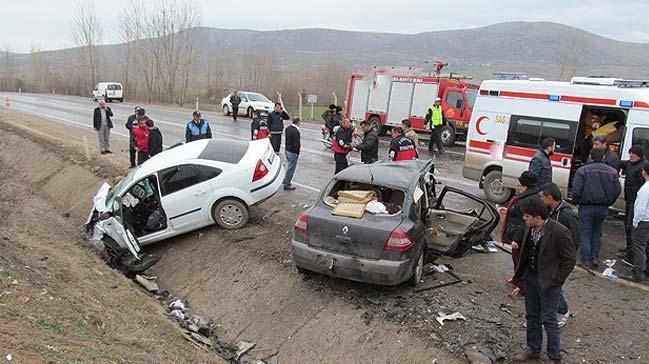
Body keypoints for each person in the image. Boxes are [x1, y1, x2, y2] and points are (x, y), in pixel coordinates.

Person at [512, 200, 576, 363]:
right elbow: (526, 254)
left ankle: (554, 356)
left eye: (527, 216)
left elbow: (569, 260)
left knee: (549, 319)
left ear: (538, 217)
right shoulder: (529, 227)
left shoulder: (560, 232)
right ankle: (533, 348)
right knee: (532, 316)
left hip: (549, 282)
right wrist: (521, 281)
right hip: (531, 278)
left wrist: (557, 280)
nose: (524, 219)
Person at [571, 148, 622, 269]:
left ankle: (585, 261)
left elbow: (576, 190)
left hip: (586, 207)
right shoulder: (612, 172)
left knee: (585, 233)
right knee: (597, 233)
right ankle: (595, 258)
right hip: (603, 208)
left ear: (590, 157)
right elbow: (617, 190)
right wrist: (609, 202)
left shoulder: (582, 171)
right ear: (603, 157)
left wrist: (576, 202)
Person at [540, 182, 580, 328]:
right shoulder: (550, 210)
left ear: (550, 197)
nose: (541, 200)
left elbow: (575, 239)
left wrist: (565, 256)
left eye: (543, 197)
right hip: (550, 255)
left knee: (555, 284)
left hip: (560, 257)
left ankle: (562, 310)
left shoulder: (568, 214)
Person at [499, 171, 540, 297]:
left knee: (520, 259)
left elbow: (525, 222)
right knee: (517, 258)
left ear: (525, 186)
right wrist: (509, 211)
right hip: (519, 232)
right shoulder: (529, 196)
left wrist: (516, 239)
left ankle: (522, 286)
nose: (518, 188)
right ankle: (518, 279)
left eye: (520, 185)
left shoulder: (527, 200)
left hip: (520, 235)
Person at [619, 145, 646, 265]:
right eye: (630, 154)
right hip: (629, 199)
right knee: (627, 225)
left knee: (631, 226)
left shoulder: (642, 167)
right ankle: (629, 248)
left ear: (638, 155)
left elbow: (642, 188)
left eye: (632, 154)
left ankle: (631, 255)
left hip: (635, 201)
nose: (630, 156)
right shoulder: (632, 163)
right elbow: (621, 163)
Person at [629, 161, 649, 282]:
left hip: (643, 221)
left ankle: (638, 273)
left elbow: (641, 207)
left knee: (639, 247)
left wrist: (635, 222)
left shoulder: (645, 189)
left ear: (645, 172)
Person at [283, 118, 301, 190]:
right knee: (291, 168)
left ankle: (286, 182)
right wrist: (297, 152)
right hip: (292, 152)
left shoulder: (288, 128)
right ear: (298, 122)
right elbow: (297, 143)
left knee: (290, 166)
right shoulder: (296, 131)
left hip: (287, 149)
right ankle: (287, 183)